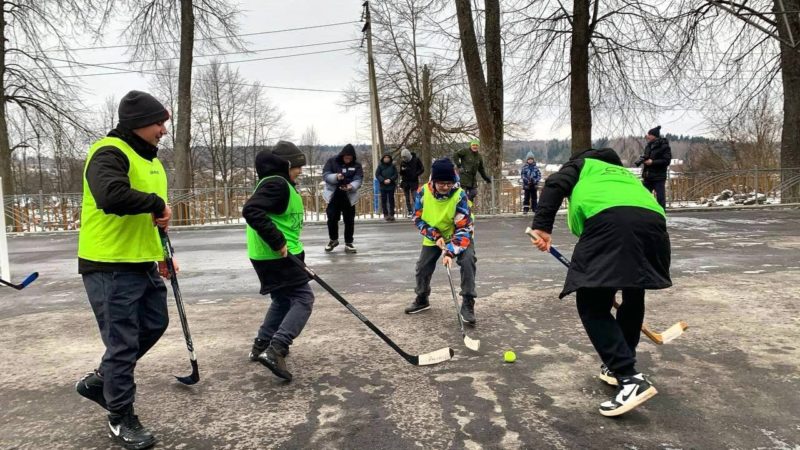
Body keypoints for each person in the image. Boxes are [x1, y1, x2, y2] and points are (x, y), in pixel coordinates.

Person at [528, 147, 671, 417]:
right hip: (654, 225)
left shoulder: (583, 165)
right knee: (633, 293)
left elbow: (555, 183)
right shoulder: (624, 174)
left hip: (609, 224)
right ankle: (618, 365)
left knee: (592, 304)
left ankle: (630, 379)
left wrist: (542, 226)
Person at [75, 90, 172, 450]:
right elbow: (111, 196)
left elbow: (151, 216)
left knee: (154, 324)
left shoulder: (150, 159)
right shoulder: (108, 152)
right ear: (138, 123)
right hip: (108, 265)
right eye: (159, 122)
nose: (163, 129)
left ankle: (101, 381)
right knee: (122, 343)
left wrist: (163, 251)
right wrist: (156, 202)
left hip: (141, 261)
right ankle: (120, 416)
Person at [242, 141, 314, 382]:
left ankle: (261, 344)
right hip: (277, 255)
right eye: (297, 166)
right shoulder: (277, 183)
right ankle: (277, 348)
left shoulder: (282, 184)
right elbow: (251, 210)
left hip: (275, 254)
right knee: (303, 298)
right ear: (286, 165)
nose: (301, 171)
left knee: (283, 299)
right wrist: (278, 241)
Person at [405, 158, 478, 324]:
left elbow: (463, 228)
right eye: (441, 183)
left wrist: (450, 252)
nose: (446, 187)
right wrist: (435, 236)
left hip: (459, 234)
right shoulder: (422, 193)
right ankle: (422, 298)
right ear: (433, 181)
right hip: (434, 233)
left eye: (449, 183)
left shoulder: (460, 196)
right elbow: (417, 218)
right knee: (423, 266)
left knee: (468, 261)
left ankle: (468, 302)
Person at [322, 144, 364, 253]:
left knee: (349, 220)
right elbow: (326, 175)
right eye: (346, 158)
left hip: (349, 196)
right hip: (334, 195)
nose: (348, 160)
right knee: (332, 219)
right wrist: (336, 177)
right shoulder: (332, 161)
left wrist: (352, 186)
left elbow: (359, 179)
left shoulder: (357, 165)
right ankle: (333, 240)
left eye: (350, 158)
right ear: (342, 156)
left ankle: (349, 242)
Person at [637, 125, 672, 209]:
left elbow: (666, 161)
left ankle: (661, 216)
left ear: (654, 136)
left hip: (658, 177)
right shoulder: (648, 146)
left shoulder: (664, 146)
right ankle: (646, 215)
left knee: (660, 199)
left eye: (649, 134)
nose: (647, 136)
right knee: (642, 196)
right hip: (648, 176)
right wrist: (643, 159)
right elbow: (647, 156)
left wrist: (652, 162)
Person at [399, 147, 424, 216]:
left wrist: (416, 174)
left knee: (415, 196)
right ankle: (409, 211)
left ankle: (417, 209)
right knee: (407, 198)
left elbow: (422, 169)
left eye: (405, 157)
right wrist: (402, 170)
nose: (404, 159)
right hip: (405, 182)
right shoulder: (403, 162)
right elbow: (401, 173)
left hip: (413, 181)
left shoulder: (416, 160)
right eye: (403, 157)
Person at [375, 153, 398, 221]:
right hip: (383, 186)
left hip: (391, 185)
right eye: (385, 157)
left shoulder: (393, 166)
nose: (386, 158)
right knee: (384, 200)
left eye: (388, 157)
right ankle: (385, 214)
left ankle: (392, 214)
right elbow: (377, 174)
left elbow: (396, 174)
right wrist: (383, 180)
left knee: (391, 200)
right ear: (383, 158)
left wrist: (390, 179)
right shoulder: (380, 166)